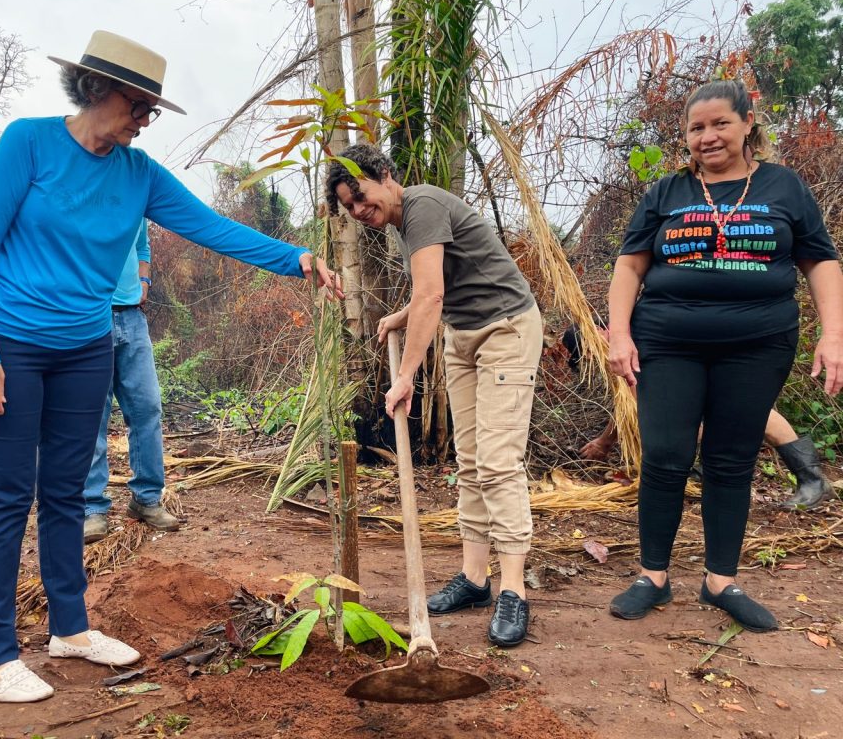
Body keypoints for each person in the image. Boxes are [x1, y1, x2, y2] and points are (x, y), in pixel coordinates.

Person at [0, 30, 341, 703]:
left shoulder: (138, 175)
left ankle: (69, 628)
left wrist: (296, 258)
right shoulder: (29, 143)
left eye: (152, 109)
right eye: (140, 104)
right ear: (98, 90)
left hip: (84, 348)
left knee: (68, 494)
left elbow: (210, 226)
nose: (146, 118)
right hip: (8, 344)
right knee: (9, 496)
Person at [606, 80, 842, 633]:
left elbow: (820, 262)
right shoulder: (666, 193)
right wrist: (620, 333)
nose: (707, 137)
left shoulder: (785, 187)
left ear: (747, 124)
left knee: (731, 460)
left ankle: (720, 581)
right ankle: (653, 577)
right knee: (665, 454)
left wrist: (833, 334)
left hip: (758, 345)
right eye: (696, 128)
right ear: (685, 135)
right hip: (667, 342)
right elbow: (629, 266)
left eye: (719, 124)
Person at [325, 144, 543, 647]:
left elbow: (430, 294)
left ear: (384, 175)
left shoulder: (421, 205)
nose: (359, 211)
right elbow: (436, 284)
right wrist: (402, 316)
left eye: (359, 196)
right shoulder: (405, 224)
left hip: (506, 329)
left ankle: (513, 589)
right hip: (464, 334)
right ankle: (474, 579)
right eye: (349, 206)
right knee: (470, 461)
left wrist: (405, 375)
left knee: (498, 461)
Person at [564, 323, 834, 509]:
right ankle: (706, 471)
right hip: (705, 355)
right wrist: (605, 441)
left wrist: (605, 442)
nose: (592, 360)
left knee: (749, 411)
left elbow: (637, 406)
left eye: (587, 354)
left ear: (596, 334)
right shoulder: (623, 339)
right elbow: (630, 404)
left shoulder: (628, 341)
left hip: (720, 350)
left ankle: (812, 480)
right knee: (727, 412)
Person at [83, 219, 177, 543]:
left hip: (133, 318)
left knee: (147, 407)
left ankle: (146, 499)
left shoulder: (134, 198)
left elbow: (142, 245)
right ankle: (92, 508)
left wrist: (144, 280)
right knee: (93, 415)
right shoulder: (85, 192)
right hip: (90, 316)